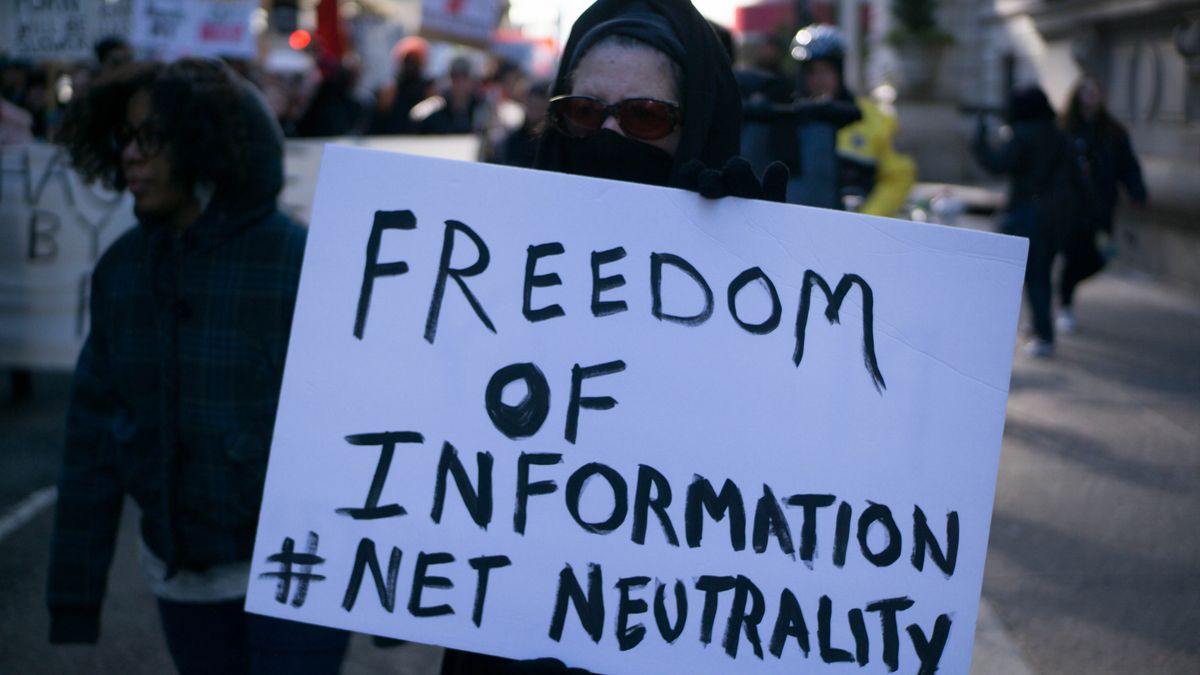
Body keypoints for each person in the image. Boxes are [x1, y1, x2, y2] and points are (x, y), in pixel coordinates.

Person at [442, 1, 778, 672]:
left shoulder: (763, 288)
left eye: (646, 116)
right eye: (585, 112)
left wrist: (750, 281)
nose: (609, 134)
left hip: (675, 628)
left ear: (697, 122)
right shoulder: (493, 258)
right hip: (513, 618)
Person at [46, 58, 349, 674]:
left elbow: (364, 428)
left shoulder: (296, 259)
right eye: (123, 137)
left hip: (304, 576)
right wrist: (74, 596)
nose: (131, 155)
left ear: (205, 141)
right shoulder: (123, 271)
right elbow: (92, 441)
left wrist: (391, 593)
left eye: (151, 137)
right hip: (185, 581)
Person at [972, 84, 1085, 358]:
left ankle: (1042, 335)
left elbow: (998, 163)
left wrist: (979, 141)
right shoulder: (1060, 136)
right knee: (1042, 274)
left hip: (1026, 214)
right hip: (1056, 215)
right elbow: (1077, 178)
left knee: (1029, 277)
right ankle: (1038, 328)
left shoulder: (1023, 135)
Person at [791, 24, 915, 216]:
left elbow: (899, 177)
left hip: (860, 229)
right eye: (811, 72)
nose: (819, 79)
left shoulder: (874, 118)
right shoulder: (789, 117)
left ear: (840, 71)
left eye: (827, 70)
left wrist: (867, 218)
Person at [1058, 75, 1148, 333]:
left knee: (1100, 257)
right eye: (1085, 90)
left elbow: (1128, 166)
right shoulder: (1065, 129)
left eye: (1094, 90)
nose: (1090, 95)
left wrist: (1137, 193)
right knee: (1073, 255)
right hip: (1071, 208)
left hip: (1101, 206)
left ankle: (1066, 286)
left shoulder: (1113, 132)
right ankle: (1065, 304)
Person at [369, 36, 435, 135]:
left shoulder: (428, 89)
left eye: (415, 60)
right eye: (408, 60)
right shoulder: (390, 88)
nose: (411, 64)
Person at [411, 56, 485, 135]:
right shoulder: (437, 104)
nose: (459, 81)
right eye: (455, 75)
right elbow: (415, 116)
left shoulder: (481, 107)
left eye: (464, 75)